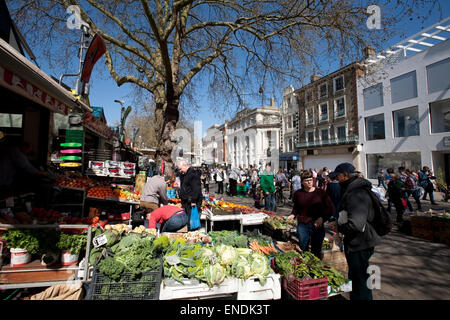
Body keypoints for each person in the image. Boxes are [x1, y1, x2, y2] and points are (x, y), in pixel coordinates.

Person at [328, 162, 381, 301]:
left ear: (345, 175)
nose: (336, 180)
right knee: (359, 276)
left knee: (359, 280)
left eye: (337, 176)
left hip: (360, 242)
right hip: (360, 241)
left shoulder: (356, 193)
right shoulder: (353, 189)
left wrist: (340, 228)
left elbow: (356, 224)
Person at [288, 170, 334, 258]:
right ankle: (305, 266)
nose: (309, 182)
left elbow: (330, 208)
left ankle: (315, 268)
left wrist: (322, 218)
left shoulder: (321, 193)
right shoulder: (298, 194)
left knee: (316, 249)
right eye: (306, 180)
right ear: (302, 182)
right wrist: (293, 214)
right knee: (303, 247)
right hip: (303, 225)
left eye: (311, 180)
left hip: (317, 225)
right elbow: (296, 208)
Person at [177, 159, 203, 231]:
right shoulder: (184, 174)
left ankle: (192, 234)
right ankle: (189, 232)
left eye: (180, 169)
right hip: (186, 201)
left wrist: (193, 200)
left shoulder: (193, 174)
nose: (180, 171)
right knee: (188, 219)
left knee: (191, 220)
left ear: (185, 165)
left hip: (192, 201)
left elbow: (196, 188)